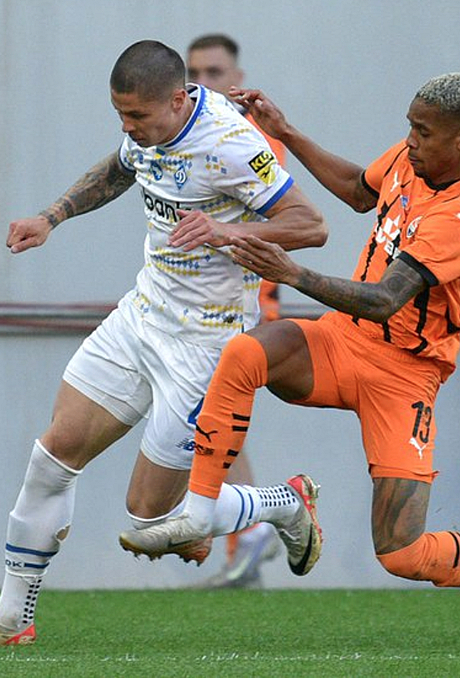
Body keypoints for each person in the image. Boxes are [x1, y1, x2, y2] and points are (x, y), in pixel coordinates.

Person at [121, 72, 460, 640]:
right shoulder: (416, 159)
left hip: (406, 375)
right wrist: (287, 132)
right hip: (343, 339)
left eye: (423, 132)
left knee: (401, 553)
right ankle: (205, 514)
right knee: (245, 353)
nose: (410, 140)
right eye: (410, 126)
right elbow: (360, 190)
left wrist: (292, 273)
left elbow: (385, 300)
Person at [0, 40, 327, 647]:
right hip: (141, 318)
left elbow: (312, 225)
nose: (127, 126)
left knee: (151, 519)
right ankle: (13, 615)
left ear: (177, 99)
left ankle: (285, 503)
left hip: (206, 343)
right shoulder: (147, 130)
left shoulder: (230, 143)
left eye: (137, 115)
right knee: (53, 454)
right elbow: (120, 168)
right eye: (120, 114)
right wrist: (51, 217)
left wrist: (222, 230)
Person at [185, 32, 285, 589]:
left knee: (209, 413)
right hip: (200, 301)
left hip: (238, 299)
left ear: (237, 79)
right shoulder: (189, 133)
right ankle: (245, 532)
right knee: (210, 416)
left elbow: (282, 219)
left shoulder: (249, 137)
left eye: (214, 73)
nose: (202, 83)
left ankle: (255, 522)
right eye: (193, 73)